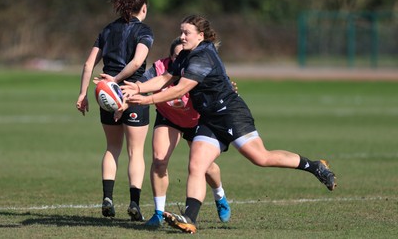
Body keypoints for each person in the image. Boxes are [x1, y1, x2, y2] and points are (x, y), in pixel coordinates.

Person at [119, 14, 337, 234]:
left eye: (186, 32)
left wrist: (146, 99)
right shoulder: (186, 54)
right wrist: (137, 88)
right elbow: (167, 78)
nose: (182, 36)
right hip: (210, 119)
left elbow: (180, 89)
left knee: (261, 157)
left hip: (231, 114)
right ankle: (189, 218)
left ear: (200, 36)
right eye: (181, 31)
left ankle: (315, 166)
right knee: (196, 165)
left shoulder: (203, 56)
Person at [76, 0, 153, 222]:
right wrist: (118, 83)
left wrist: (83, 94)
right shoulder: (145, 31)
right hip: (131, 93)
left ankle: (107, 198)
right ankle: (134, 203)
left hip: (104, 96)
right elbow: (137, 61)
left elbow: (89, 65)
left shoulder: (108, 29)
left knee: (112, 148)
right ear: (143, 8)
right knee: (135, 151)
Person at [137, 37, 231, 227]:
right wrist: (123, 99)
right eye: (178, 56)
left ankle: (219, 195)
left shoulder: (200, 66)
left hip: (197, 119)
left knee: (206, 167)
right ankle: (158, 213)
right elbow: (142, 85)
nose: (183, 60)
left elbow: (222, 86)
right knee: (159, 160)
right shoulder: (161, 68)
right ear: (171, 57)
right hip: (169, 117)